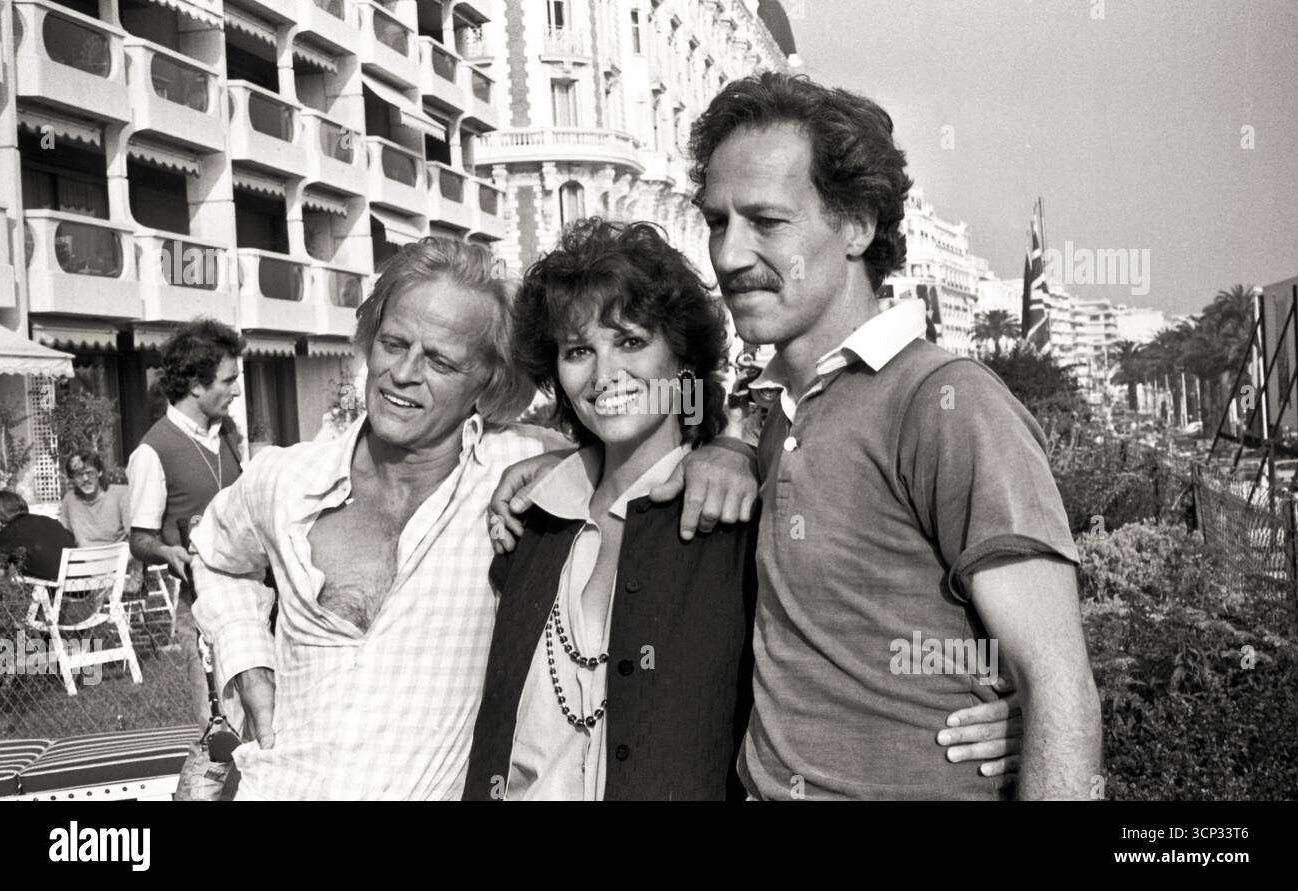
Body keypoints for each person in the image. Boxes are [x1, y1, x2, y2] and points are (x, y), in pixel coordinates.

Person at [492, 72, 1102, 800]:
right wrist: (568, 462)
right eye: (718, 222)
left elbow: (1062, 687)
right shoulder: (780, 418)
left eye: (766, 222)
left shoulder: (946, 402)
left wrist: (1027, 712)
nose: (728, 254)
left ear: (857, 224)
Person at [188, 237, 757, 800]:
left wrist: (731, 447)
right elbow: (213, 553)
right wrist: (246, 662)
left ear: (489, 380)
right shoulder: (286, 479)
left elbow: (667, 407)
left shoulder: (522, 480)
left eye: (440, 360)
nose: (404, 374)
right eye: (393, 343)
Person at [463, 220, 758, 800]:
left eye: (630, 341)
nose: (604, 375)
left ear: (682, 357)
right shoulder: (531, 516)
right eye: (578, 351)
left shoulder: (734, 513)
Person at [127, 318, 246, 726]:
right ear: (196, 384)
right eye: (229, 380)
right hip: (200, 604)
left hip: (253, 595)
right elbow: (139, 539)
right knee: (219, 726)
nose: (237, 389)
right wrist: (165, 550)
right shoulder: (152, 451)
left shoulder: (229, 433)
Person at [0, 491, 75, 581]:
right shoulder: (49, 521)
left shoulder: (9, 532)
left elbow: (1, 573)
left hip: (53, 587)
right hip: (83, 581)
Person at [60, 450, 130, 547]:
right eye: (79, 475)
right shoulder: (70, 500)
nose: (85, 479)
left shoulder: (121, 494)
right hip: (85, 559)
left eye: (89, 473)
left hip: (119, 558)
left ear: (100, 472)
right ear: (73, 478)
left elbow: (136, 541)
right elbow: (64, 539)